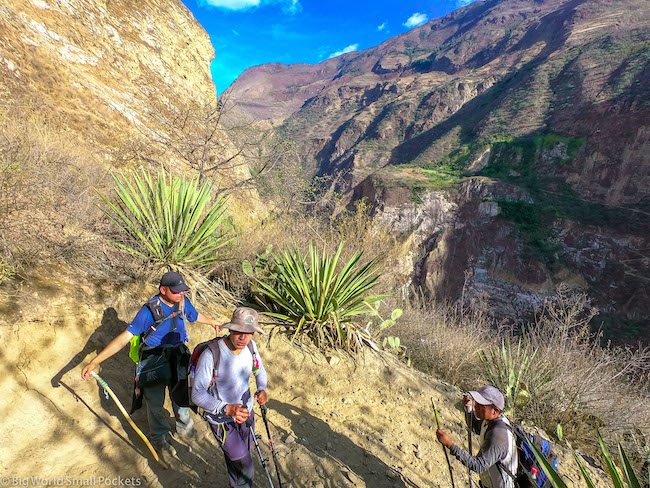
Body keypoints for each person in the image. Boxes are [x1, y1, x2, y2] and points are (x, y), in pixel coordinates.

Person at [81, 271, 220, 460]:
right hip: (154, 359)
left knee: (181, 394)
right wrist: (94, 362)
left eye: (182, 290)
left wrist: (212, 322)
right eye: (176, 291)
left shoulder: (182, 301)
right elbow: (124, 339)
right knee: (154, 402)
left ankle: (184, 429)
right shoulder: (148, 311)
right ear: (163, 290)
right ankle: (160, 437)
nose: (181, 294)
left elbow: (194, 316)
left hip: (177, 354)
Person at [191, 307, 268, 488]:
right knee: (244, 461)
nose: (243, 338)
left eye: (249, 333)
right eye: (239, 332)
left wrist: (262, 388)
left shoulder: (251, 347)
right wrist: (227, 408)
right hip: (222, 420)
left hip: (246, 412)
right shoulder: (211, 355)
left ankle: (235, 484)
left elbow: (259, 371)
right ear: (230, 329)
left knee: (241, 454)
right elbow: (197, 394)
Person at [436, 385, 518, 488]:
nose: (476, 406)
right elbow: (475, 427)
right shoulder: (491, 420)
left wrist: (450, 445)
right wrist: (469, 410)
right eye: (477, 402)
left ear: (495, 411)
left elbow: (479, 465)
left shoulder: (499, 435)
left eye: (482, 405)